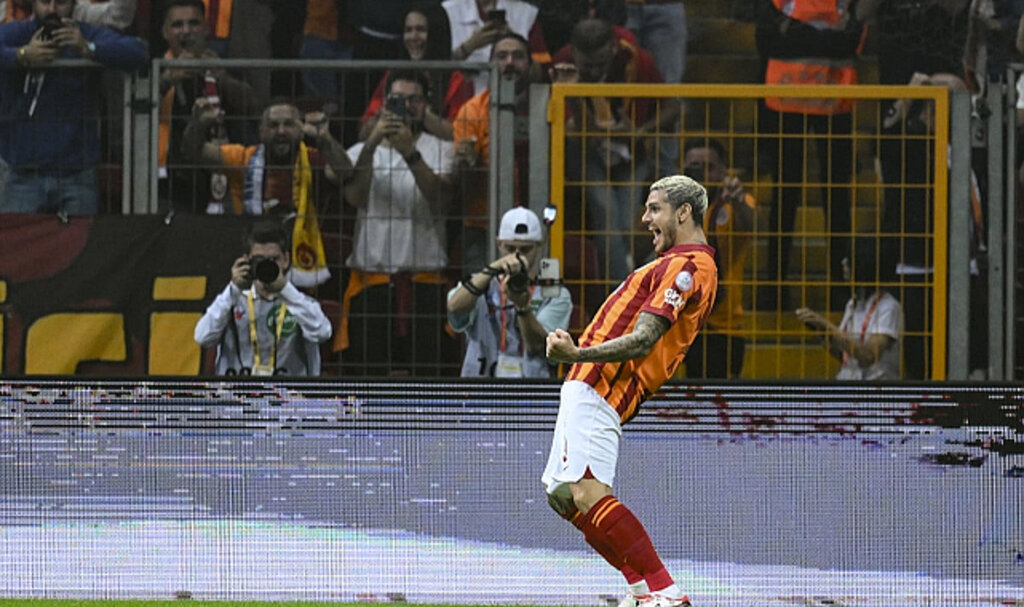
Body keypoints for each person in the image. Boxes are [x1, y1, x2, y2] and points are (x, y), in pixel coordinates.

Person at [543, 174, 716, 607]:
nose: (645, 219)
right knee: (562, 495)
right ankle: (641, 590)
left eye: (655, 209)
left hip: (605, 383)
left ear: (683, 213)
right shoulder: (679, 263)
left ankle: (666, 592)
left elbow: (644, 339)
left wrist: (576, 354)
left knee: (585, 490)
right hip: (591, 383)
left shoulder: (688, 266)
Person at [336, 69, 457, 376]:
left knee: (430, 380)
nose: (406, 107)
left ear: (426, 105)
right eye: (397, 100)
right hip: (372, 281)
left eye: (414, 100)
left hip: (425, 282)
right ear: (383, 103)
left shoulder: (442, 148)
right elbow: (353, 197)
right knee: (368, 379)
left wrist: (409, 153)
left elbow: (440, 200)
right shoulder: (363, 149)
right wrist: (373, 142)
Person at [755, 0, 864, 310]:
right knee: (785, 195)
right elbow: (767, 40)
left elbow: (852, 41)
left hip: (829, 99)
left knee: (836, 197)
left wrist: (797, 34)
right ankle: (776, 288)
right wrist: (828, 41)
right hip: (795, 98)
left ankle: (840, 286)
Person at [552, 17, 679, 280]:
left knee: (627, 224)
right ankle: (619, 291)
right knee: (606, 214)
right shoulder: (562, 64)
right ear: (574, 53)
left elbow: (672, 108)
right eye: (587, 65)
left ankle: (625, 283)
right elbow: (575, 131)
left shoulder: (637, 60)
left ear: (613, 48)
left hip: (631, 151)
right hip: (586, 151)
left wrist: (638, 132)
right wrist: (572, 93)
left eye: (600, 64)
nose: (594, 71)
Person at [182, 97, 352, 286]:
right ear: (261, 131)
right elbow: (194, 152)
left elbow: (345, 173)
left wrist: (325, 139)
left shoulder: (314, 159)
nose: (281, 131)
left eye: (288, 124)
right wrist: (198, 125)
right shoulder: (244, 159)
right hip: (251, 264)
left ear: (301, 128)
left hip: (301, 265)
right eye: (273, 125)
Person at [0, 0, 147, 215]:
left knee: (81, 238)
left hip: (77, 174)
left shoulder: (85, 33)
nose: (51, 9)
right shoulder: (19, 32)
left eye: (60, 2)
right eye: (45, 1)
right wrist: (21, 55)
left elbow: (138, 52)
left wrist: (89, 49)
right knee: (18, 238)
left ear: (73, 4)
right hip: (23, 174)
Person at [158, 0, 261, 213]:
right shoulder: (154, 69)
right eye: (177, 25)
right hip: (170, 178)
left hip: (221, 175)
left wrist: (220, 77)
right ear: (165, 32)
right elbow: (135, 111)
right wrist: (168, 80)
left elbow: (253, 106)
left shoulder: (225, 64)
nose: (186, 31)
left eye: (193, 23)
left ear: (206, 28)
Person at [194, 221, 332, 376]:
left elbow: (323, 333)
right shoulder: (232, 300)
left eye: (274, 260)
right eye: (260, 260)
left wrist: (285, 290)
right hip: (237, 388)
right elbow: (202, 337)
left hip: (289, 389)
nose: (267, 265)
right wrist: (233, 289)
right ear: (247, 261)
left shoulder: (299, 302)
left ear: (286, 260)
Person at [447, 206, 572, 377]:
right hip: (481, 387)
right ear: (499, 244)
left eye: (526, 250)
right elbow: (454, 307)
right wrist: (493, 269)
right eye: (510, 249)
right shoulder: (480, 284)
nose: (517, 257)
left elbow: (539, 346)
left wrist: (523, 307)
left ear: (539, 246)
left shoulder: (553, 294)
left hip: (531, 389)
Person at [452, 31, 534, 271]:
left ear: (530, 65)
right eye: (502, 56)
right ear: (490, 65)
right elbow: (461, 180)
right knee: (479, 291)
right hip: (483, 226)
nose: (509, 62)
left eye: (518, 56)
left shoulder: (547, 102)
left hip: (537, 223)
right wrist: (465, 162)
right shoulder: (472, 110)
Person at [681, 137, 757, 379]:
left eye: (709, 167)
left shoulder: (733, 203)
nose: (701, 174)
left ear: (723, 171)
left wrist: (737, 201)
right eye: (694, 167)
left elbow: (752, 224)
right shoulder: (674, 207)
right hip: (680, 324)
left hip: (723, 326)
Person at [359, 3, 474, 142]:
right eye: (408, 30)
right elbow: (363, 132)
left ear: (437, 34)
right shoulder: (393, 74)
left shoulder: (457, 80)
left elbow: (461, 135)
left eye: (421, 30)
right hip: (392, 150)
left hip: (438, 152)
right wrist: (383, 116)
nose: (413, 37)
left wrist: (420, 112)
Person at [795, 237, 903, 380]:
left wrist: (827, 327)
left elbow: (868, 356)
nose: (843, 263)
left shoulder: (889, 307)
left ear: (864, 266)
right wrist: (822, 332)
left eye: (851, 260)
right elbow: (846, 356)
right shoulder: (852, 304)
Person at [444, 0, 551, 94]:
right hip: (462, 105)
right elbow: (436, 71)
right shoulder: (447, 11)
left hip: (514, 103)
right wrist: (469, 46)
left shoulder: (526, 14)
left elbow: (543, 73)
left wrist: (512, 38)